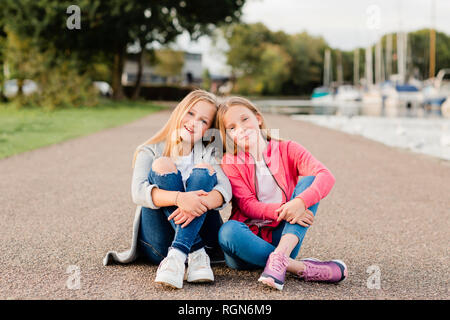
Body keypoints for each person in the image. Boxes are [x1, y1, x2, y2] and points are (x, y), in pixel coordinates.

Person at [215, 96, 347, 291]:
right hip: (244, 246)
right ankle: (298, 267)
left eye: (245, 119)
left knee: (310, 182)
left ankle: (280, 257)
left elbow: (326, 176)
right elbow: (247, 205)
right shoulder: (230, 161)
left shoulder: (288, 149)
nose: (241, 129)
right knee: (227, 231)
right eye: (232, 127)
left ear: (258, 118)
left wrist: (301, 202)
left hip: (284, 237)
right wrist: (289, 209)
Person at [103, 90, 232, 289]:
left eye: (203, 121)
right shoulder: (150, 149)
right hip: (160, 243)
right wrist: (180, 198)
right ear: (179, 111)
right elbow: (138, 192)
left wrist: (199, 202)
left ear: (208, 129)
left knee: (204, 171)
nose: (193, 122)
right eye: (190, 113)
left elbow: (225, 190)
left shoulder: (207, 153)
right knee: (162, 164)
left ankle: (179, 255)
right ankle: (194, 252)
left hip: (205, 235)